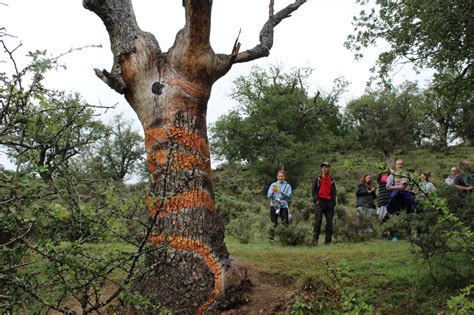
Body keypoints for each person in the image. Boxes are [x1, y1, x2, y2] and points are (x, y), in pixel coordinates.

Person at [311, 162, 337, 245]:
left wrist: (333, 202)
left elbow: (334, 191)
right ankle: (315, 240)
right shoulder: (318, 179)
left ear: (329, 168)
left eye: (326, 167)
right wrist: (316, 200)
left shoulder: (332, 180)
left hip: (329, 203)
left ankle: (328, 241)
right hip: (320, 201)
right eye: (323, 168)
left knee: (329, 222)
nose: (324, 169)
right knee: (318, 221)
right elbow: (313, 190)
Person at [267, 170, 292, 241]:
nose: (280, 177)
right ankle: (271, 239)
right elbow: (268, 195)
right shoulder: (273, 185)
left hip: (283, 205)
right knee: (273, 222)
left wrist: (282, 192)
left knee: (285, 222)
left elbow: (289, 196)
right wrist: (272, 192)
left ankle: (286, 238)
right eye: (279, 176)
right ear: (277, 177)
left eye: (282, 176)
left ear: (284, 177)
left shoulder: (288, 186)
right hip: (274, 205)